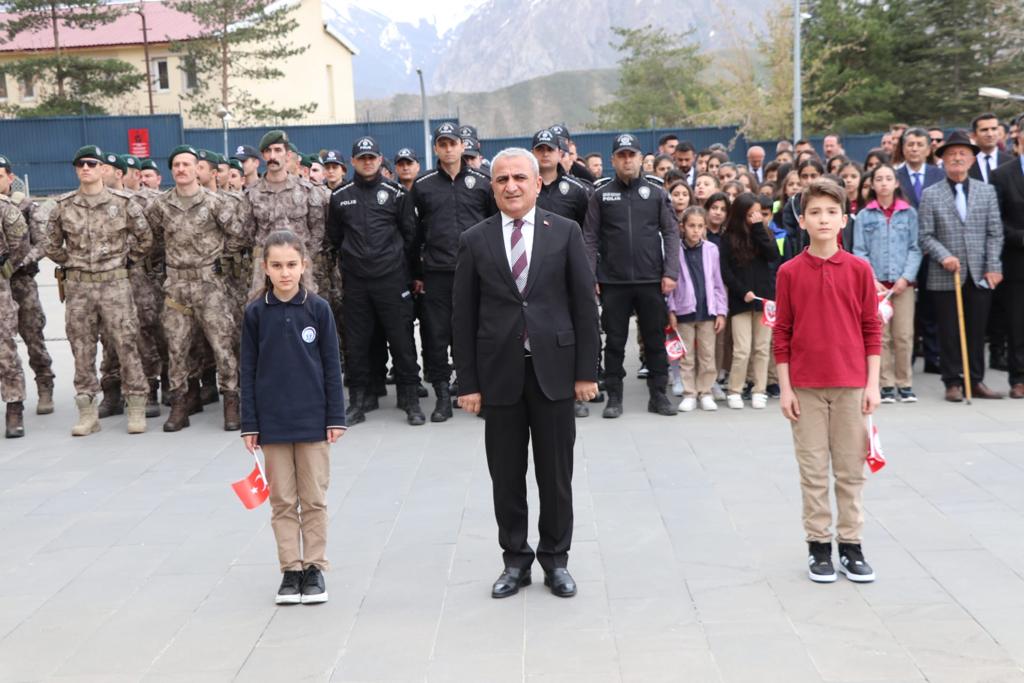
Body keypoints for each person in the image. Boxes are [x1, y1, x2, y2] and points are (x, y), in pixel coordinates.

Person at [452, 148, 599, 600]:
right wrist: (468, 383)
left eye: (519, 177)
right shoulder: (475, 239)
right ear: (492, 187)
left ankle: (556, 560)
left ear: (538, 183)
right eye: (501, 179)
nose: (511, 186)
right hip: (499, 376)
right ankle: (515, 560)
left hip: (555, 373)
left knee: (555, 476)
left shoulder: (566, 232)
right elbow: (463, 315)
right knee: (507, 476)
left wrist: (586, 372)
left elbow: (584, 305)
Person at [774, 178, 882, 584]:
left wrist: (872, 384)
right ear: (802, 220)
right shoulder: (789, 272)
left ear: (844, 219)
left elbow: (871, 327)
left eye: (831, 212)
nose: (823, 219)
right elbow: (782, 332)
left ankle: (851, 546)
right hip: (805, 389)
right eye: (815, 212)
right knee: (813, 471)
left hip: (852, 385)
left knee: (851, 471)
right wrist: (785, 388)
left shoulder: (859, 269)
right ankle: (818, 546)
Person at [240, 230, 346, 606]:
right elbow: (247, 370)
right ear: (265, 268)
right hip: (272, 424)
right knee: (282, 500)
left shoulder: (318, 309)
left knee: (313, 498)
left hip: (313, 421)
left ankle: (314, 567)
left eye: (291, 265)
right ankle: (291, 569)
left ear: (304, 265)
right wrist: (250, 424)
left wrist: (335, 417)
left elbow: (332, 366)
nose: (285, 273)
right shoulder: (255, 313)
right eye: (277, 265)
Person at [44, 145, 153, 436]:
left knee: (126, 344)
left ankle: (136, 407)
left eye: (92, 164)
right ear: (76, 169)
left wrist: (125, 261)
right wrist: (72, 262)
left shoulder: (123, 203)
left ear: (103, 168)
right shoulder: (63, 206)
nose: (86, 168)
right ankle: (87, 412)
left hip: (115, 284)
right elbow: (50, 244)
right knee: (81, 348)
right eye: (81, 164)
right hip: (79, 287)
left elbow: (145, 238)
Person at [143, 145, 245, 432]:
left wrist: (221, 262)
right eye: (176, 165)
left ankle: (231, 402)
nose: (181, 169)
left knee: (222, 345)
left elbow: (238, 235)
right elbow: (152, 240)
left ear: (196, 169)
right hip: (176, 286)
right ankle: (180, 405)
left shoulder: (214, 202)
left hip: (209, 284)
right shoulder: (160, 205)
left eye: (186, 164)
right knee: (177, 347)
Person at [327, 136, 425, 426]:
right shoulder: (340, 195)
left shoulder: (396, 193)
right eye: (362, 158)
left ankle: (410, 399)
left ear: (380, 160)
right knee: (357, 343)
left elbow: (410, 236)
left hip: (391, 279)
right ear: (352, 162)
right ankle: (359, 400)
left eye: (372, 157)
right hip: (357, 282)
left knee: (402, 341)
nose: (367, 162)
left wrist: (412, 274)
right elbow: (336, 237)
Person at [404, 122, 496, 422]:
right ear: (435, 148)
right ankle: (443, 398)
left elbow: (495, 226)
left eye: (452, 143)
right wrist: (417, 273)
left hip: (476, 272)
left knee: (475, 334)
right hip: (437, 272)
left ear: (462, 146)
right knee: (436, 336)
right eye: (442, 144)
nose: (448, 149)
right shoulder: (423, 185)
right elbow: (413, 233)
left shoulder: (483, 182)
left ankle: (475, 393)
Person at [583, 133, 680, 418]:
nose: (627, 160)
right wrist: (591, 276)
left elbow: (671, 232)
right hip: (613, 282)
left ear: (640, 158)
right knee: (614, 342)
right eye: (621, 156)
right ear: (613, 160)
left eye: (631, 155)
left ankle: (658, 395)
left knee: (654, 340)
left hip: (651, 280)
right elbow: (590, 238)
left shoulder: (656, 193)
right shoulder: (601, 195)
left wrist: (671, 272)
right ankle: (614, 396)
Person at [918, 130, 1005, 402]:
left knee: (977, 330)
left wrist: (993, 266)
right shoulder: (931, 194)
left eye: (962, 153)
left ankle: (975, 380)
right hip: (946, 273)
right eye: (951, 154)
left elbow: (995, 232)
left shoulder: (986, 191)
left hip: (980, 272)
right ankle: (952, 381)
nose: (957, 158)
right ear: (943, 160)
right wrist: (943, 256)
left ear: (971, 159)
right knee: (949, 330)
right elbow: (925, 235)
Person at [853, 163, 922, 404]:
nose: (883, 183)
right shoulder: (865, 215)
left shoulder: (909, 213)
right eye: (879, 179)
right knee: (880, 337)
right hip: (876, 288)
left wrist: (906, 277)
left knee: (904, 335)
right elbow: (859, 250)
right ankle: (885, 383)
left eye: (888, 178)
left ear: (896, 183)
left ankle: (905, 383)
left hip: (903, 286)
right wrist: (871, 279)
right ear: (872, 184)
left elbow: (915, 248)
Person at [0, 155, 54, 415]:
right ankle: (13, 395)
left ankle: (45, 383)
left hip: (21, 281)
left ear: (10, 178)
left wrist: (20, 262)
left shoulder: (27, 206)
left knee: (32, 334)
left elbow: (43, 243)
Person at [245, 130, 326, 292]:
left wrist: (302, 257)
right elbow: (248, 234)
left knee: (304, 306)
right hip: (265, 269)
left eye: (278, 150)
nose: (272, 156)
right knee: (261, 305)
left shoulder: (306, 190)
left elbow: (317, 230)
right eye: (268, 151)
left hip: (299, 267)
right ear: (263, 156)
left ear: (288, 155)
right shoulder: (251, 193)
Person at [719, 193, 778, 409]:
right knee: (742, 349)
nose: (755, 216)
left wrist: (758, 228)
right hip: (740, 300)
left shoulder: (764, 233)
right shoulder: (728, 238)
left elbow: (773, 256)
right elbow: (725, 271)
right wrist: (742, 292)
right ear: (741, 214)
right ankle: (735, 389)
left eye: (758, 213)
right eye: (751, 213)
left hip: (764, 300)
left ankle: (759, 389)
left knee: (762, 347)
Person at [666, 206, 727, 412]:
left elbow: (717, 282)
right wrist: (671, 310)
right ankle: (689, 393)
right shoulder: (675, 250)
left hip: (707, 311)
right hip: (684, 310)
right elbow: (670, 283)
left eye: (700, 226)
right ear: (682, 227)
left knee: (707, 354)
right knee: (687, 356)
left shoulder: (711, 250)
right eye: (692, 226)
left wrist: (721, 311)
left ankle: (705, 392)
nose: (696, 230)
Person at [990, 123, 1024, 399]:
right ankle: (1019, 378)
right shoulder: (1001, 175)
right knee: (1017, 325)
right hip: (1016, 261)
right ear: (1018, 138)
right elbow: (995, 219)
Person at [0, 192, 28, 437]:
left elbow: (20, 242)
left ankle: (14, 406)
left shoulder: (4, 208)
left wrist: (7, 269)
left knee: (4, 350)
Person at [969, 113, 1012, 183]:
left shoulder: (1011, 161)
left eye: (994, 129)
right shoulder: (967, 163)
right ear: (974, 135)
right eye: (984, 130)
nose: (990, 134)